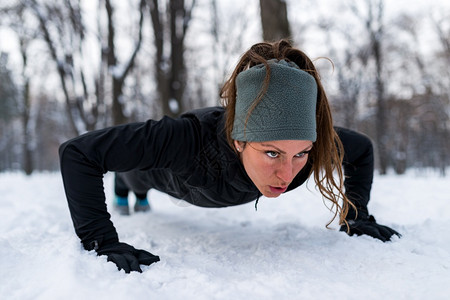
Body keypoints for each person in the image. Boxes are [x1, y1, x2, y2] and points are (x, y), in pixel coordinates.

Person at [59, 40, 400, 274]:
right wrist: (100, 242)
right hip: (166, 177)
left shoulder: (312, 146)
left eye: (301, 154)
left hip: (216, 190)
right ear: (239, 140)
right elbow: (78, 153)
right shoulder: (185, 138)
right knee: (136, 177)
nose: (287, 173)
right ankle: (127, 186)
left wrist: (357, 216)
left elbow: (362, 150)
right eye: (272, 152)